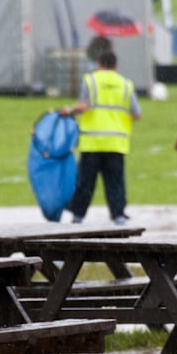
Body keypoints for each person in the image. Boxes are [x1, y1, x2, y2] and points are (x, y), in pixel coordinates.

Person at [60, 50, 141, 225]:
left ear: (99, 64)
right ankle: (118, 215)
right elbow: (137, 114)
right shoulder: (125, 84)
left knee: (86, 182)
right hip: (116, 143)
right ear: (115, 65)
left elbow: (83, 106)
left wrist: (68, 111)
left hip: (92, 143)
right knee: (115, 183)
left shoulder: (91, 81)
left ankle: (78, 216)